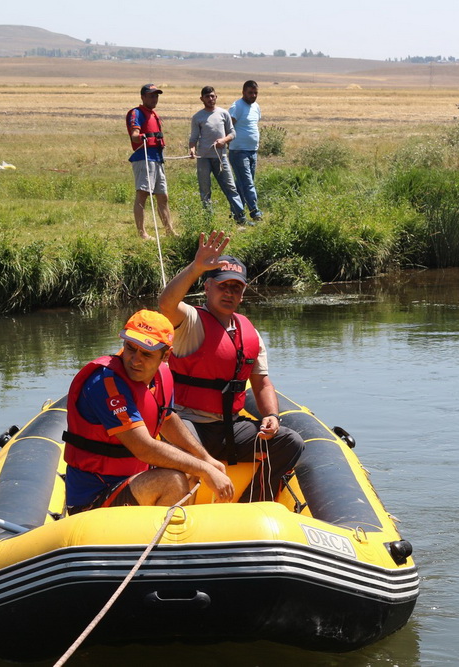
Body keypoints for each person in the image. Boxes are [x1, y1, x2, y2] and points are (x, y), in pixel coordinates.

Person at [159, 232, 305, 502]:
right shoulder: (190, 321)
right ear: (208, 287)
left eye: (235, 288)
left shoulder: (249, 331)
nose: (229, 293)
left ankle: (252, 503)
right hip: (187, 423)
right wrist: (196, 267)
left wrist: (271, 416)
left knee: (290, 441)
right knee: (185, 453)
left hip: (229, 428)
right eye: (222, 286)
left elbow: (261, 382)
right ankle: (184, 514)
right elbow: (166, 303)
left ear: (242, 293)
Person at [62, 309, 233, 514]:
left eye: (146, 353)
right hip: (93, 499)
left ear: (166, 355)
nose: (135, 360)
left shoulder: (162, 376)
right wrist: (203, 468)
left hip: (130, 481)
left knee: (190, 468)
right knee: (173, 480)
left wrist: (205, 459)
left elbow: (167, 419)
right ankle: (168, 544)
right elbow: (144, 448)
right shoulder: (105, 384)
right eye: (130, 348)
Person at [188, 86, 246, 225]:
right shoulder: (197, 117)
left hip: (221, 157)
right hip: (203, 158)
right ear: (202, 99)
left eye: (212, 96)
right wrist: (192, 149)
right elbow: (193, 137)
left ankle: (240, 217)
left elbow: (232, 133)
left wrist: (224, 141)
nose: (210, 99)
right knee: (205, 189)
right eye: (207, 96)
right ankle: (208, 219)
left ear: (216, 97)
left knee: (230, 187)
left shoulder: (223, 114)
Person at [127, 84, 177, 240]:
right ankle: (142, 233)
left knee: (163, 197)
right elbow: (134, 134)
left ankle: (170, 231)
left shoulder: (153, 114)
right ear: (143, 97)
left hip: (157, 158)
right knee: (142, 195)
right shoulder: (136, 113)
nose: (154, 98)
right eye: (151, 96)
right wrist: (141, 136)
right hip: (144, 157)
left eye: (156, 96)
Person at [228, 80, 263, 223]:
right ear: (243, 92)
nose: (253, 95)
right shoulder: (237, 107)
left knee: (243, 183)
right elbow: (228, 125)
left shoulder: (256, 107)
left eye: (255, 93)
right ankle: (255, 212)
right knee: (247, 183)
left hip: (252, 151)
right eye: (250, 93)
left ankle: (238, 214)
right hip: (238, 151)